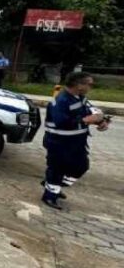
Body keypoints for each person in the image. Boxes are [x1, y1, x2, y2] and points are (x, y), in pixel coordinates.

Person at [40, 72, 111, 209]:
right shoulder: (60, 101)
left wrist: (101, 121)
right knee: (57, 169)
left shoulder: (80, 97)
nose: (91, 86)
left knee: (81, 166)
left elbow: (92, 111)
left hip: (77, 142)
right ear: (79, 85)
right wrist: (86, 120)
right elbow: (61, 122)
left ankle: (52, 185)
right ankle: (50, 196)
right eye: (89, 84)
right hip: (59, 142)